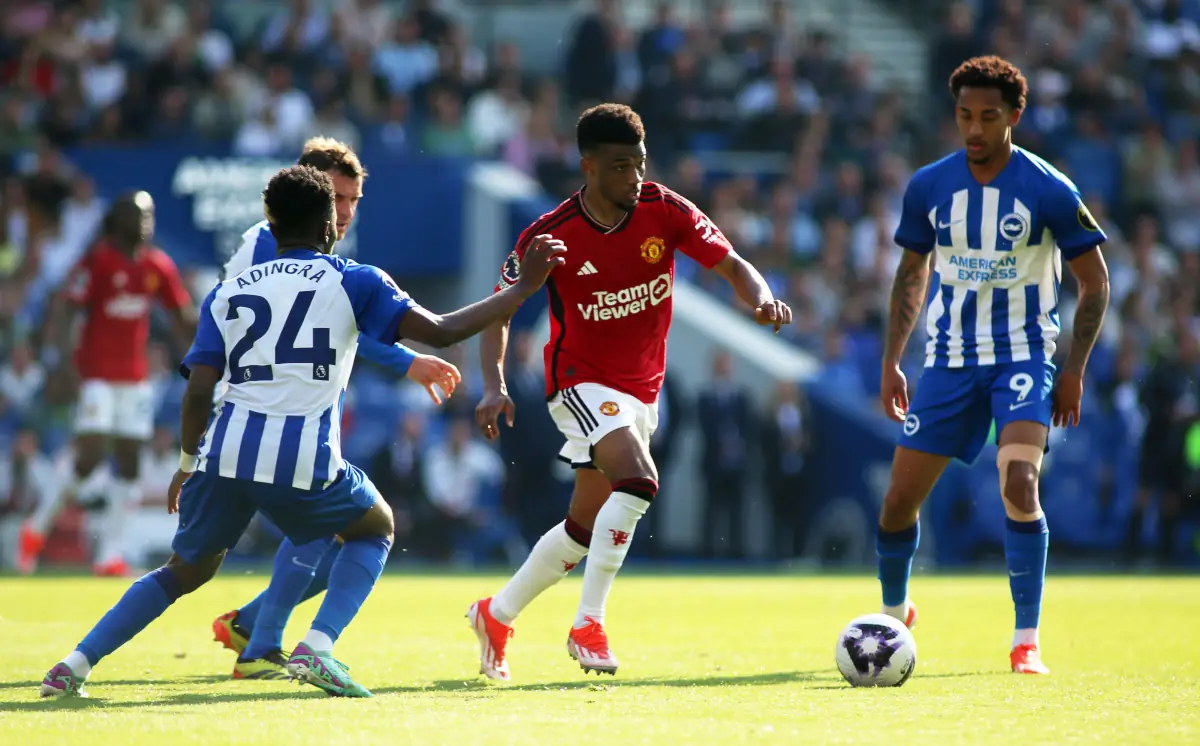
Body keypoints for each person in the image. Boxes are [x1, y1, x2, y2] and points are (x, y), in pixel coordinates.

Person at [40, 164, 566, 699]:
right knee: (375, 525)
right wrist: (524, 287)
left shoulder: (228, 291)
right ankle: (317, 646)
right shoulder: (355, 278)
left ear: (271, 220)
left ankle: (74, 664)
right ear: (327, 225)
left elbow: (199, 390)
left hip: (224, 452)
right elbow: (444, 330)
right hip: (301, 457)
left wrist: (184, 463)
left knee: (181, 571)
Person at [468, 103, 792, 680]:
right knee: (639, 479)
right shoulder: (549, 235)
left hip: (643, 391)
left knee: (583, 528)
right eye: (621, 167)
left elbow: (735, 265)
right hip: (578, 382)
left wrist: (762, 299)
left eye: (639, 164)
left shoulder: (664, 210)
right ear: (588, 167)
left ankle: (496, 613)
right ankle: (588, 623)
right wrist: (494, 384)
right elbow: (500, 312)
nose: (634, 178)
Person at [875, 56, 1109, 675]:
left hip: (1023, 358)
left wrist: (1073, 368)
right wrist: (893, 360)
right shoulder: (929, 186)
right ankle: (894, 613)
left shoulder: (1050, 189)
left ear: (1014, 116)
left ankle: (1025, 639)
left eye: (987, 117)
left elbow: (1095, 282)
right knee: (897, 505)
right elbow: (911, 274)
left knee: (1019, 483)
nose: (974, 129)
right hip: (949, 362)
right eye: (964, 116)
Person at [208, 138, 462, 681]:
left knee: (336, 527)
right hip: (257, 408)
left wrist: (405, 361)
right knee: (332, 524)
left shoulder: (319, 259)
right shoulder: (268, 245)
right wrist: (407, 362)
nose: (345, 211)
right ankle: (261, 640)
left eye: (353, 199)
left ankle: (254, 627)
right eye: (336, 197)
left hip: (288, 408)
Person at [19, 191, 195, 576]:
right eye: (137, 215)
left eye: (149, 215)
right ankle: (35, 529)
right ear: (118, 221)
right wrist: (62, 363)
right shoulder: (98, 261)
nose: (145, 223)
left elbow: (181, 315)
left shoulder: (157, 266)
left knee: (131, 461)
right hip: (95, 374)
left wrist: (209, 349)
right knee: (93, 453)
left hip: (134, 378)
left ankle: (108, 554)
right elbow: (67, 308)